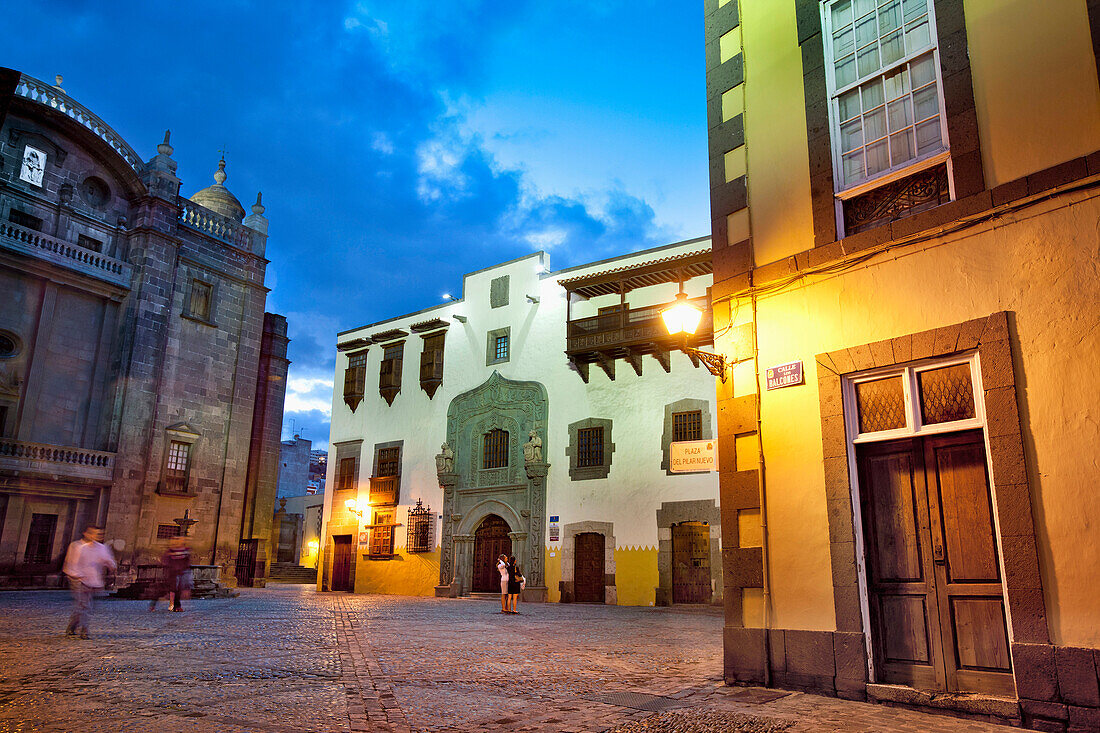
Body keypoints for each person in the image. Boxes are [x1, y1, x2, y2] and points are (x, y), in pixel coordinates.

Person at [62, 525, 117, 639]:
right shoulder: (78, 547)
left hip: (95, 582)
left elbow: (109, 561)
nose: (98, 536)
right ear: (87, 534)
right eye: (95, 534)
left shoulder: (102, 548)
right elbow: (71, 565)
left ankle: (72, 627)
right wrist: (77, 576)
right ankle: (84, 630)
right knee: (85, 606)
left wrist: (111, 565)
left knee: (84, 607)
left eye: (100, 534)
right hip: (80, 581)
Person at [151, 536, 192, 612]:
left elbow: (187, 561)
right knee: (166, 589)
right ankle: (153, 604)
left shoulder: (185, 550)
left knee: (178, 590)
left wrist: (185, 570)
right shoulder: (171, 551)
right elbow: (166, 560)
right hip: (172, 573)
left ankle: (177, 606)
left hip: (180, 573)